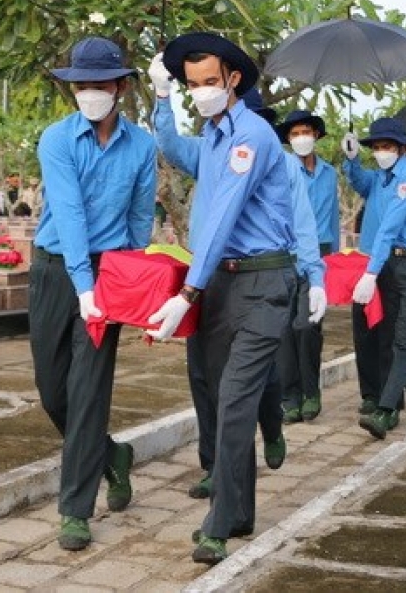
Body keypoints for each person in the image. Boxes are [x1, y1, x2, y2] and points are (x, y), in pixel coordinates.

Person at [146, 32, 299, 565]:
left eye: (209, 82)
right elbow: (171, 147)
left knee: (234, 401)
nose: (201, 92)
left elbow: (221, 218)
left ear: (233, 79)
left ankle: (217, 521)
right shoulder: (210, 139)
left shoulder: (250, 137)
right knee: (217, 398)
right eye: (192, 85)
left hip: (263, 280)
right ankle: (241, 512)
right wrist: (161, 99)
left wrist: (187, 292)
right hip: (223, 284)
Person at [28, 36, 156, 552]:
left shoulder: (142, 145)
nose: (90, 93)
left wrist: (121, 274)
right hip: (55, 270)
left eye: (100, 84)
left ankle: (75, 510)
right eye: (81, 85)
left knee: (88, 392)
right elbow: (71, 212)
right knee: (52, 390)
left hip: (108, 274)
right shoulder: (56, 140)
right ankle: (111, 456)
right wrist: (82, 284)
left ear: (120, 87)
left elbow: (141, 216)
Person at [341, 117, 406, 440]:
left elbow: (390, 227)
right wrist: (353, 159)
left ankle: (385, 412)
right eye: (378, 147)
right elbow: (359, 182)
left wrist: (369, 273)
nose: (382, 152)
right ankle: (403, 378)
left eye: (388, 147)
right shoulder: (381, 178)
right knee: (387, 333)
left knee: (405, 336)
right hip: (392, 264)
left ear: (403, 149)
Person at [275, 110, 338, 422]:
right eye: (295, 132)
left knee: (308, 326)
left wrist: (335, 259)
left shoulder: (329, 174)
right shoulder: (281, 169)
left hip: (320, 254)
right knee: (285, 329)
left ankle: (311, 391)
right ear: (288, 138)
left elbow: (334, 218)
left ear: (315, 136)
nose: (302, 137)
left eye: (306, 132)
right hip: (288, 253)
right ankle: (290, 395)